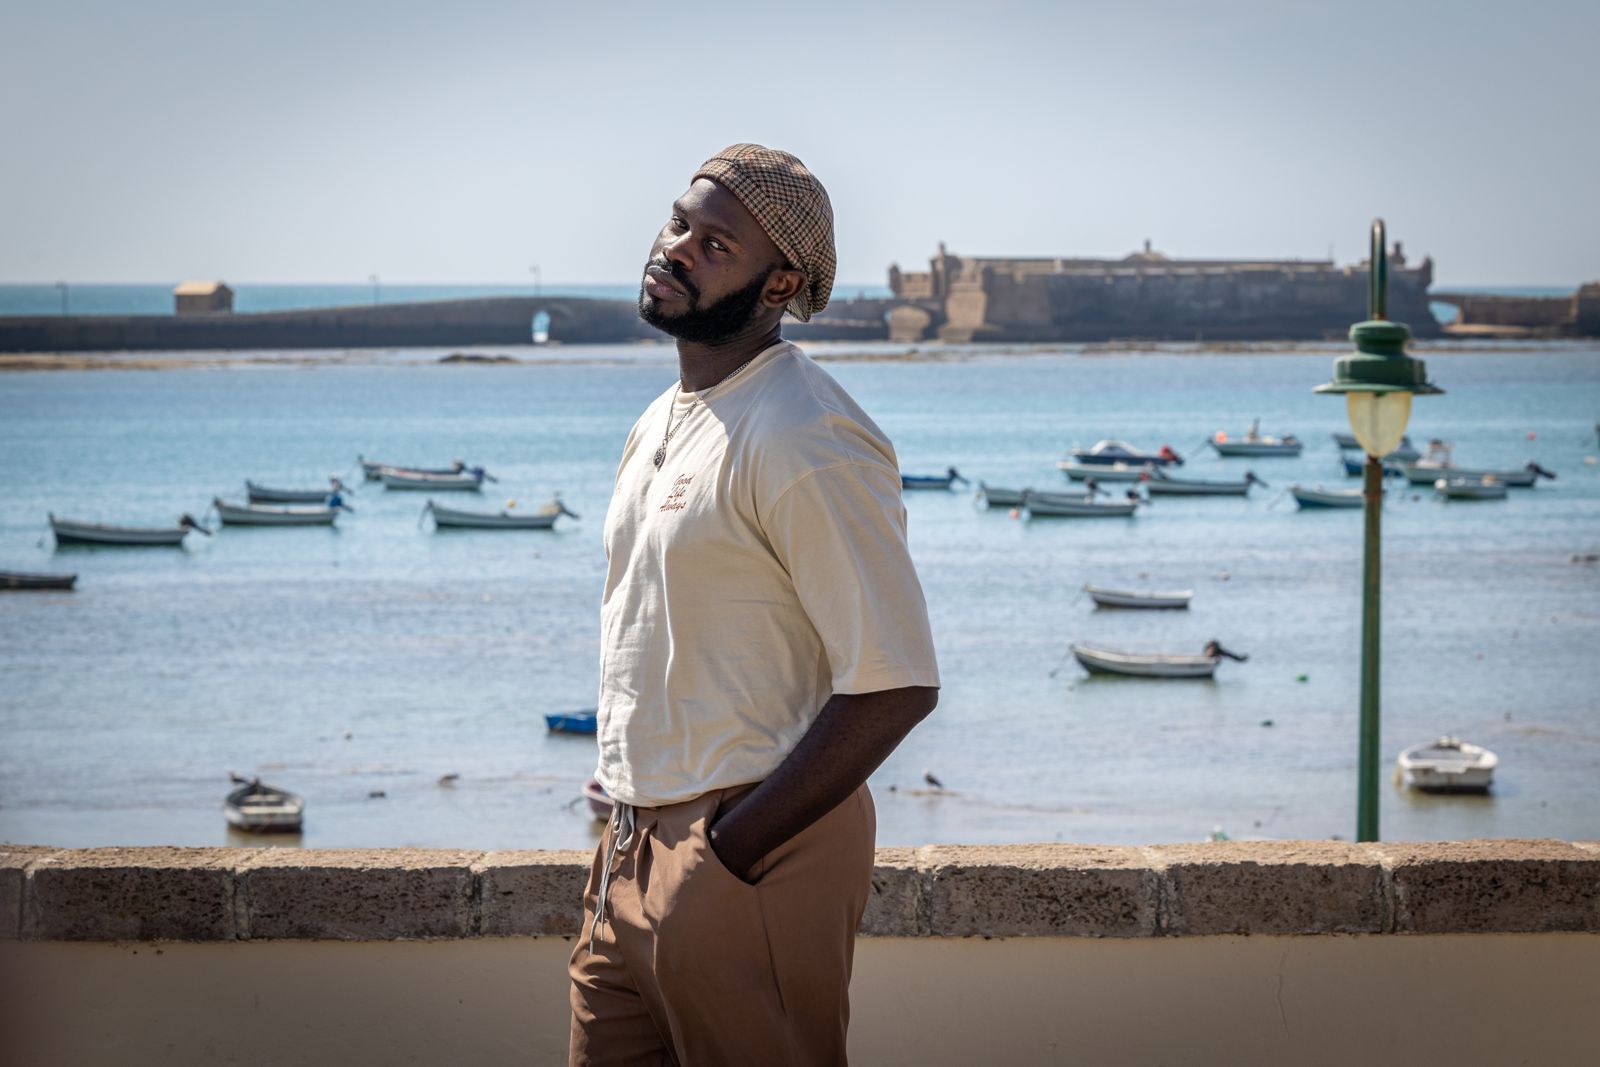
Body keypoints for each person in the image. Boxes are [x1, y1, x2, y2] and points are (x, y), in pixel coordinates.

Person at [568, 144, 941, 1066]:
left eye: (716, 244)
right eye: (679, 223)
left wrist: (725, 854)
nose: (677, 247)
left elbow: (896, 680)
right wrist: (637, 836)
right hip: (629, 849)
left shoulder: (805, 430)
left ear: (781, 285)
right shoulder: (660, 418)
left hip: (749, 853)